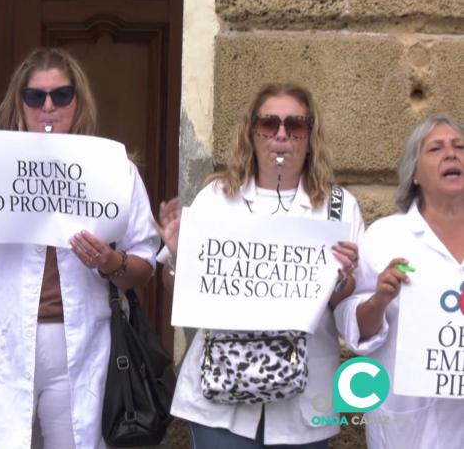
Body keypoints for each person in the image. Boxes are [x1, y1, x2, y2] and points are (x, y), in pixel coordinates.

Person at [0, 47, 159, 448]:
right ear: (19, 103)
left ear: (79, 102)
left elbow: (144, 263)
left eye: (61, 96)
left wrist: (110, 262)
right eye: (35, 96)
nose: (48, 107)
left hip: (81, 344)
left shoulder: (113, 167)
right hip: (6, 340)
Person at [155, 83, 364, 448]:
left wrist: (343, 280)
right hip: (220, 398)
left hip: (304, 400)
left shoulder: (338, 207)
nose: (281, 135)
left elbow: (347, 307)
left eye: (295, 125)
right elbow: (181, 295)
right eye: (269, 124)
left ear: (310, 136)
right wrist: (178, 256)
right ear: (252, 133)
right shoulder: (217, 199)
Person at [335, 115, 464, 449]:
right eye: (436, 149)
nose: (452, 154)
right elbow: (352, 327)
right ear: (415, 174)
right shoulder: (386, 237)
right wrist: (379, 299)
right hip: (407, 430)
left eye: (460, 147)